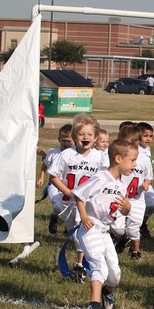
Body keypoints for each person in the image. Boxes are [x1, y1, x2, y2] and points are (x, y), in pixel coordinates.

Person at [73, 139, 136, 309]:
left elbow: (120, 212)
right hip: (91, 227)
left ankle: (107, 292)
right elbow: (78, 194)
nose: (135, 165)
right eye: (132, 160)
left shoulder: (121, 185)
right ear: (118, 158)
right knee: (98, 265)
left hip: (105, 231)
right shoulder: (101, 177)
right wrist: (84, 217)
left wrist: (128, 208)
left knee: (114, 275)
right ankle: (93, 306)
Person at [48, 113, 109, 282]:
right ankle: (83, 262)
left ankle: (82, 265)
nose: (85, 137)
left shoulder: (100, 157)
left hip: (89, 204)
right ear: (74, 137)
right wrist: (68, 192)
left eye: (89, 134)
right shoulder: (66, 155)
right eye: (81, 134)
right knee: (74, 233)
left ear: (96, 137)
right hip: (69, 203)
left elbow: (106, 178)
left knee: (83, 232)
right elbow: (53, 176)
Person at [112, 124, 153, 260]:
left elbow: (149, 176)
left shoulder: (144, 159)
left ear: (137, 143)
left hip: (137, 197)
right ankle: (123, 238)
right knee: (117, 229)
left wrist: (146, 184)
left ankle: (135, 251)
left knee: (134, 227)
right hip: (120, 197)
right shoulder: (117, 158)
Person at [37, 124, 74, 234]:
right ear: (59, 140)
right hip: (54, 184)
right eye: (64, 141)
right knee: (58, 206)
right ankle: (54, 217)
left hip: (68, 185)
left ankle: (68, 229)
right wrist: (41, 177)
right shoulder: (53, 152)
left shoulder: (74, 154)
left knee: (70, 208)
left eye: (69, 141)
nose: (66, 144)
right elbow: (45, 164)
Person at [137, 122, 154, 239]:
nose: (148, 139)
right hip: (134, 182)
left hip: (146, 182)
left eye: (150, 136)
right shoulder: (134, 148)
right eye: (145, 136)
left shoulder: (147, 148)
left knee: (152, 204)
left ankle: (142, 224)